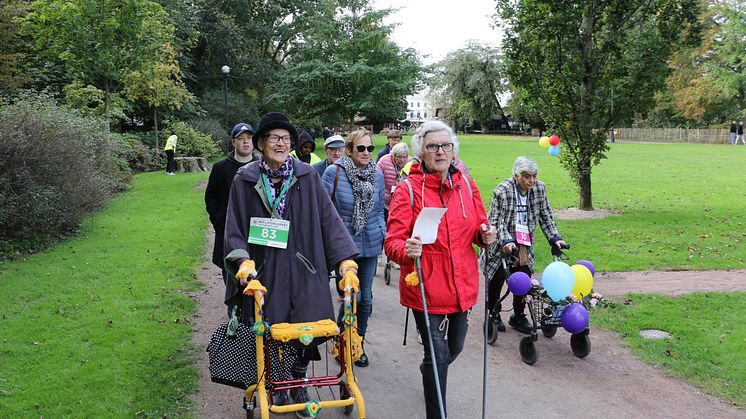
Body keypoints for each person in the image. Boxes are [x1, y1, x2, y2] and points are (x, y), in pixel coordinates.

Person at [223, 112, 358, 411]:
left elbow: (329, 219)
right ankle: (277, 383)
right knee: (270, 330)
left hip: (304, 266)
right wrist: (242, 262)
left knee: (309, 329)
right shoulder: (244, 180)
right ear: (261, 143)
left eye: (286, 139)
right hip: (264, 270)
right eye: (274, 138)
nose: (281, 143)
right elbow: (233, 228)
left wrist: (345, 261)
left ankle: (298, 382)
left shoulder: (307, 176)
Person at [383, 120, 496, 419]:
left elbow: (478, 227)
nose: (441, 151)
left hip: (462, 283)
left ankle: (430, 371)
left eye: (446, 145)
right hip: (426, 286)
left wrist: (484, 236)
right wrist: (407, 250)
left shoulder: (466, 185)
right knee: (438, 355)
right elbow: (392, 242)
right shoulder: (408, 190)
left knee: (454, 349)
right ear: (422, 151)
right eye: (433, 146)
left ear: (453, 150)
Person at [479, 156, 566, 334]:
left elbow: (545, 215)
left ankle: (518, 315)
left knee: (523, 279)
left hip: (524, 243)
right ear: (516, 175)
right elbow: (495, 220)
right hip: (501, 242)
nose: (531, 180)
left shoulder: (539, 189)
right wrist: (506, 240)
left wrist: (554, 237)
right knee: (497, 279)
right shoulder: (502, 191)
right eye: (527, 176)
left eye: (534, 176)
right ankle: (493, 313)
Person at [322, 128, 385, 368]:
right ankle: (341, 342)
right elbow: (324, 211)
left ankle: (357, 342)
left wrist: (383, 233)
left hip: (369, 243)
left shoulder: (377, 174)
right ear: (349, 150)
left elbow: (379, 210)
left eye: (370, 148)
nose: (367, 152)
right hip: (344, 246)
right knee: (351, 295)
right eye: (361, 148)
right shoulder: (333, 173)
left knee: (365, 299)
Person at [205, 122, 256, 295]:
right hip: (228, 231)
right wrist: (219, 222)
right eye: (241, 139)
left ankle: (256, 313)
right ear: (233, 142)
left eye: (249, 138)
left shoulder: (262, 166)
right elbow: (210, 198)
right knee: (231, 274)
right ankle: (234, 313)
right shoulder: (220, 168)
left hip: (256, 231)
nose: (246, 142)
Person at [376, 142, 411, 219]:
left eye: (404, 157)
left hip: (402, 203)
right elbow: (376, 178)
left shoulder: (410, 163)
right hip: (385, 203)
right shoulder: (384, 161)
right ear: (393, 155)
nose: (402, 160)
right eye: (399, 157)